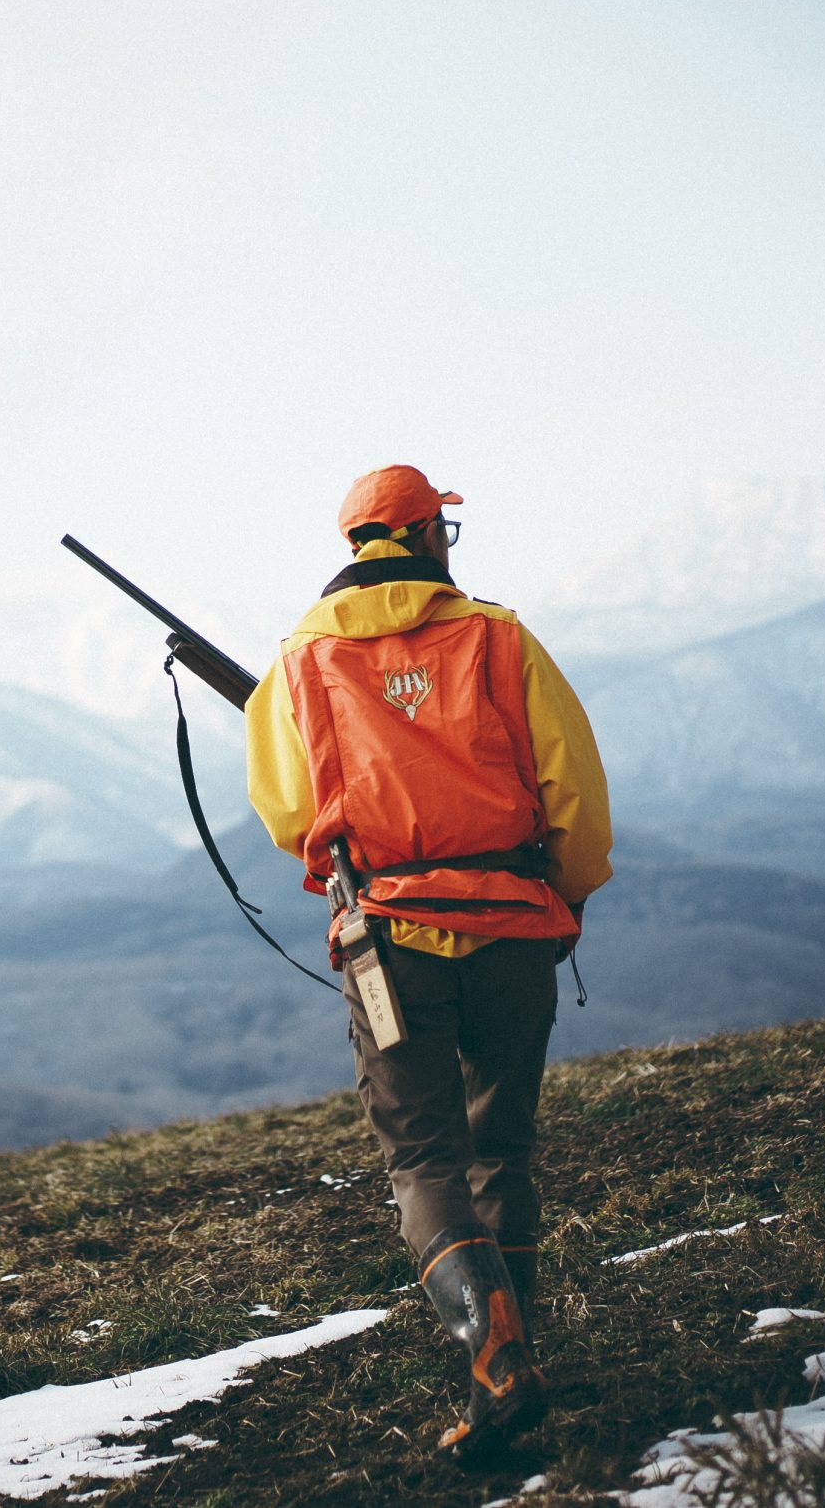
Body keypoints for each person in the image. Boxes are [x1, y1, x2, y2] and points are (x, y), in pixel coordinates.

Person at [243, 463, 611, 1461]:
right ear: (429, 534)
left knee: (423, 1161)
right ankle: (508, 1370)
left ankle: (497, 1367)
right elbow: (570, 781)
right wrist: (567, 892)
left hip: (390, 942)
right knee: (501, 1152)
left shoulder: (298, 663)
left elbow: (286, 812)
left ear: (357, 543)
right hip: (513, 927)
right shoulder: (499, 636)